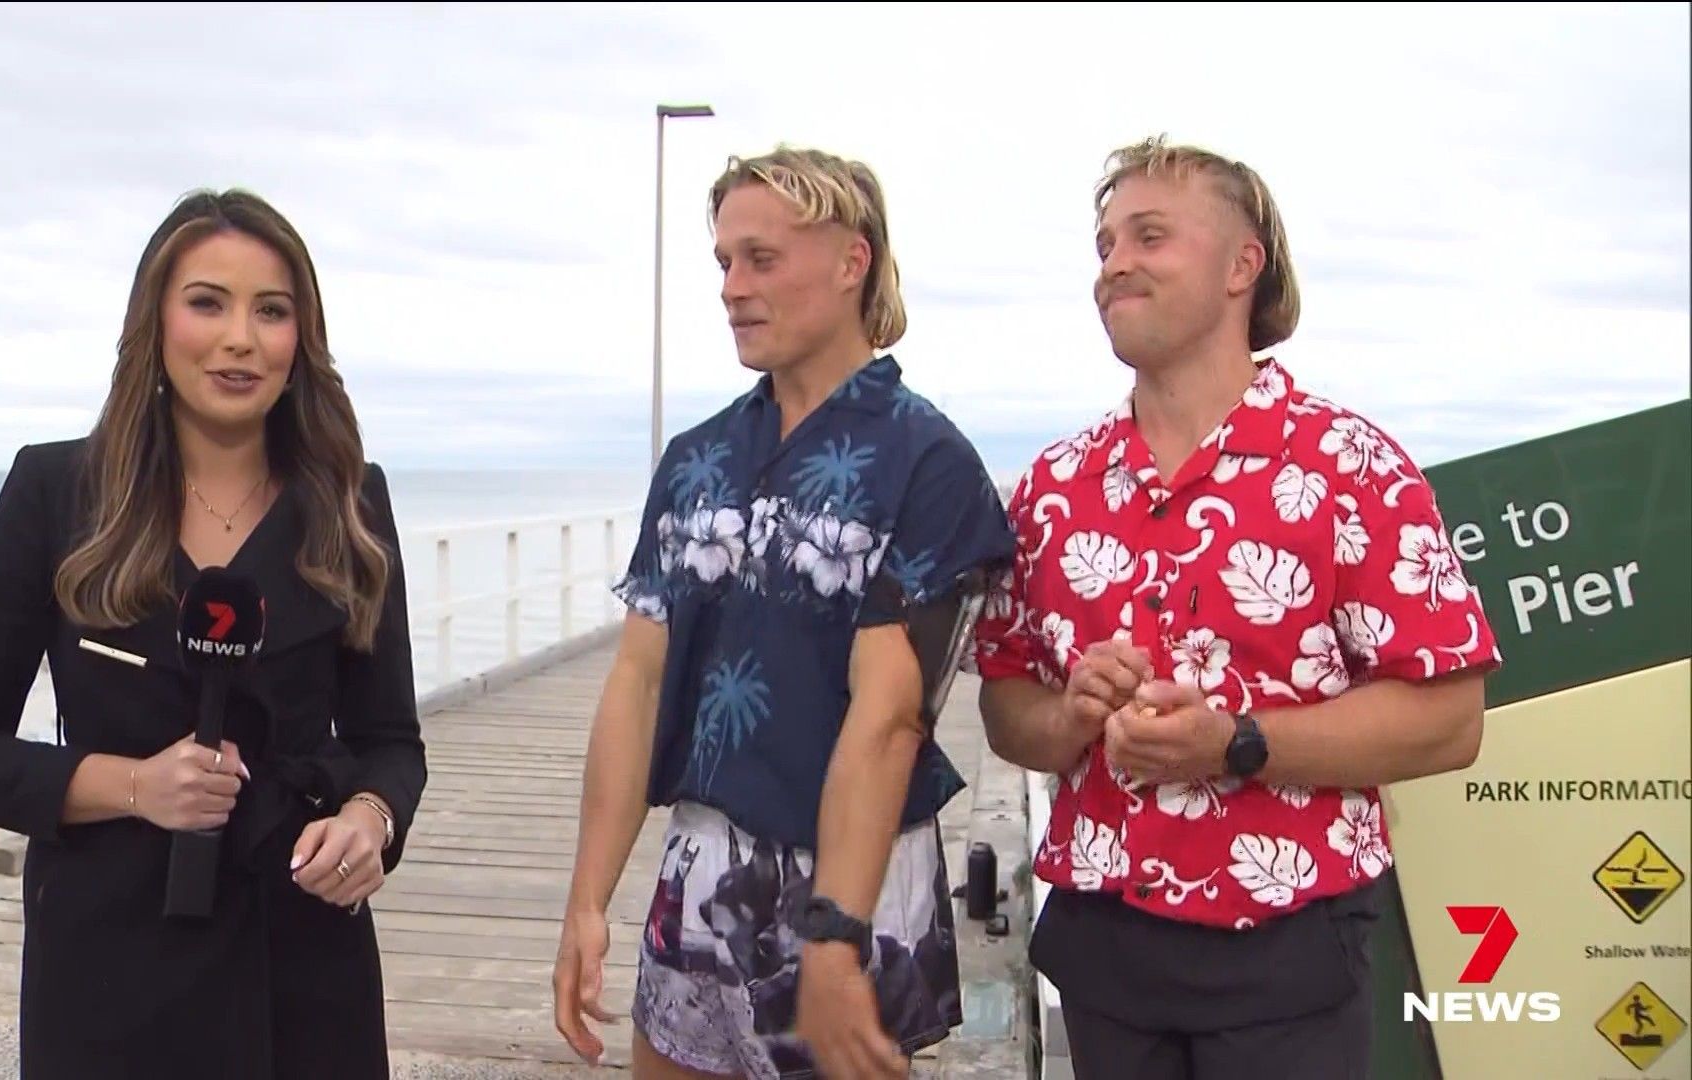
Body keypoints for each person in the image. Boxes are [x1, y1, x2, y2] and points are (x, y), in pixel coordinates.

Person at [971, 135, 1504, 1080]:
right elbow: (1006, 706)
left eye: (1149, 237)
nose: (1114, 264)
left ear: (1241, 266)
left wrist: (1235, 743)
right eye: (1105, 245)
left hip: (1288, 956)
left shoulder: (1350, 467)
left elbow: (1450, 721)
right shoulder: (1054, 487)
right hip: (1104, 949)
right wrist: (1070, 714)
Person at [0, 188, 428, 1080]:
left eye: (271, 311)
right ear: (156, 321)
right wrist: (137, 786)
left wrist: (369, 821)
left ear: (301, 338)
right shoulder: (57, 493)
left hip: (304, 965)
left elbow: (391, 742)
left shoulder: (350, 502)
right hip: (111, 966)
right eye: (207, 303)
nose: (240, 339)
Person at [551, 146, 1015, 1079]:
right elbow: (637, 681)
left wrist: (837, 937)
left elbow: (890, 717)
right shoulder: (697, 459)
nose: (733, 287)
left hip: (851, 881)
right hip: (701, 865)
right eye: (725, 262)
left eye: (762, 259)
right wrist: (587, 899)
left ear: (852, 262)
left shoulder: (927, 462)